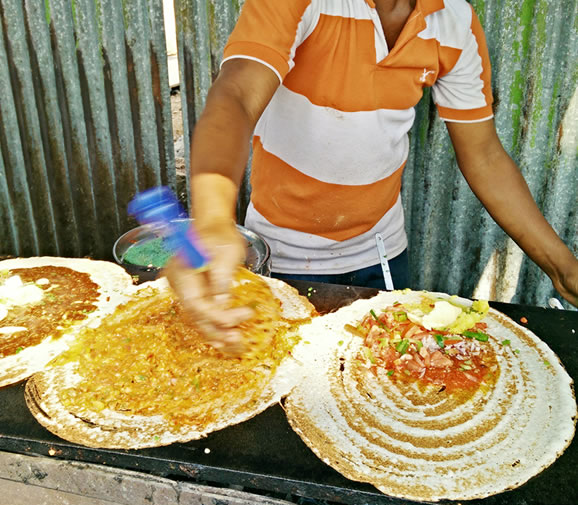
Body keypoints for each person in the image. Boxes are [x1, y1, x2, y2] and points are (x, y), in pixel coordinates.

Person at [165, 0, 578, 352]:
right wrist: (214, 221)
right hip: (285, 256)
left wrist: (561, 267)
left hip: (382, 259)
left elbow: (484, 155)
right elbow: (236, 93)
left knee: (379, 390)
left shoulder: (455, 19)